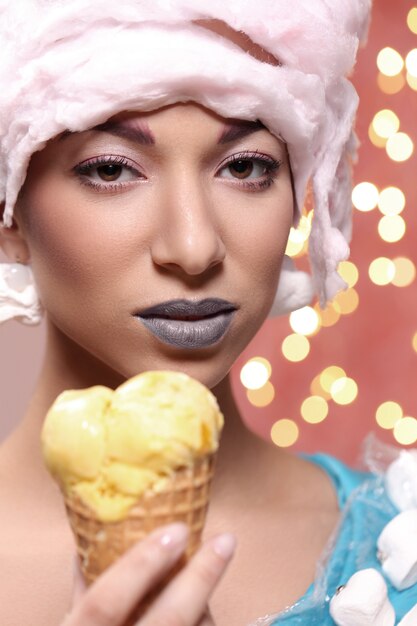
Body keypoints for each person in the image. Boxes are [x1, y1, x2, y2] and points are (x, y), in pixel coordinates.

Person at [1, 1, 416, 625]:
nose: (194, 249)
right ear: (8, 217)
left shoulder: (400, 550)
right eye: (112, 169)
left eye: (245, 167)